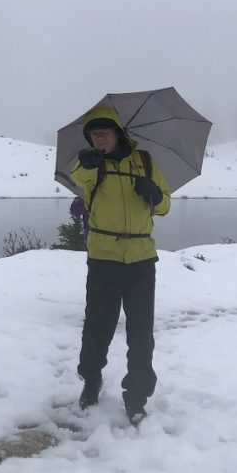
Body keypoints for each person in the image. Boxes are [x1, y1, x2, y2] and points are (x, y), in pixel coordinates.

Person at [70, 105, 171, 424]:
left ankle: (137, 394)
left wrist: (154, 193)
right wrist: (88, 163)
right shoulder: (88, 165)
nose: (99, 139)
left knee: (141, 333)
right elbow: (79, 182)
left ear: (118, 133)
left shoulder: (144, 162)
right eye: (93, 134)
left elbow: (166, 205)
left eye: (104, 132)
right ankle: (91, 380)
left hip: (142, 260)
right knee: (97, 328)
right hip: (104, 260)